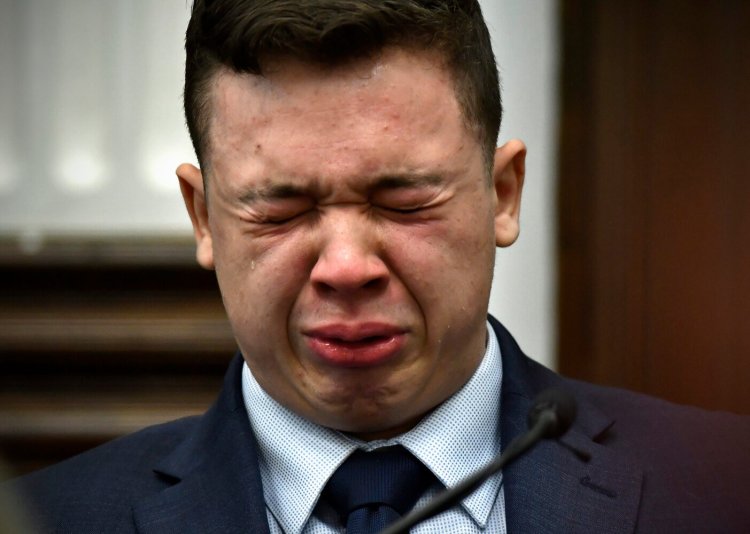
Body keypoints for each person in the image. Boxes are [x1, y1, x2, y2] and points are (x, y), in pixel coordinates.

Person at [7, 1, 750, 532]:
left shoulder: (723, 491)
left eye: (403, 200)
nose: (346, 266)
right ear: (204, 217)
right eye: (282, 209)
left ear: (502, 194)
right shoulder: (52, 519)